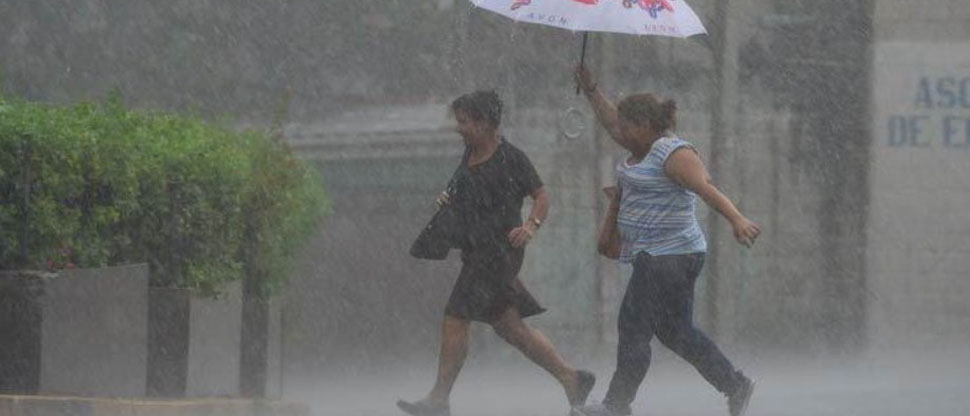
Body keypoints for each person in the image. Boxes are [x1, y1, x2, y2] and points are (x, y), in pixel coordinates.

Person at [573, 67, 761, 416]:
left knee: (633, 325)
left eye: (628, 126)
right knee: (676, 332)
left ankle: (616, 404)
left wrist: (737, 219)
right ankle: (735, 384)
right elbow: (610, 120)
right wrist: (591, 89)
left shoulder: (673, 154)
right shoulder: (639, 146)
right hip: (661, 256)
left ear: (645, 124)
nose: (620, 132)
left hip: (670, 256)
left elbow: (706, 189)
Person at [397, 91, 595, 416]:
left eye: (464, 121)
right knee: (510, 327)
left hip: (499, 252)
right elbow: (471, 193)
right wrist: (448, 200)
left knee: (456, 316)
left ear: (485, 122)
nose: (458, 128)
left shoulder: (510, 157)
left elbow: (542, 195)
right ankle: (571, 377)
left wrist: (531, 226)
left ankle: (438, 399)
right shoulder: (469, 153)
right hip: (477, 252)